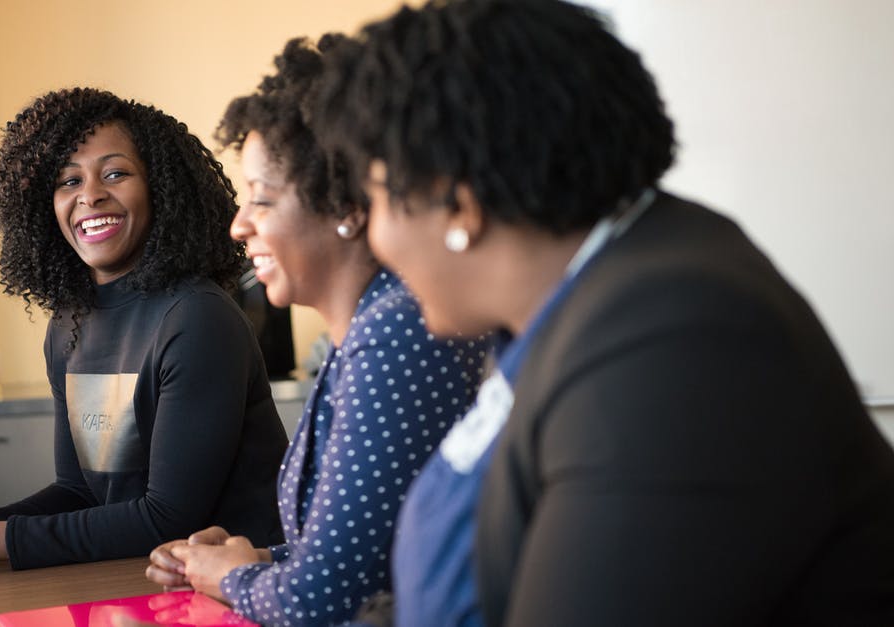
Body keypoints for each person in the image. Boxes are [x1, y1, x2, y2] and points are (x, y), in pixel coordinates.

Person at [317, 0, 894, 625]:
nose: (373, 238)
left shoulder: (672, 339)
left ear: (459, 205)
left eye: (373, 201)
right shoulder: (592, 296)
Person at [142, 36, 488, 625]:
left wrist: (228, 575)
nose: (239, 225)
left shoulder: (396, 332)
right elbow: (365, 555)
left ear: (348, 206)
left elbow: (322, 599)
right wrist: (255, 559)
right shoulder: (365, 330)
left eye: (262, 200)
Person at [0, 88, 289, 576]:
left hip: (237, 591)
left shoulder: (197, 317)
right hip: (131, 577)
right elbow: (79, 492)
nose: (90, 195)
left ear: (160, 188)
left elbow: (167, 516)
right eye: (68, 181)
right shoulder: (69, 323)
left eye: (115, 173)